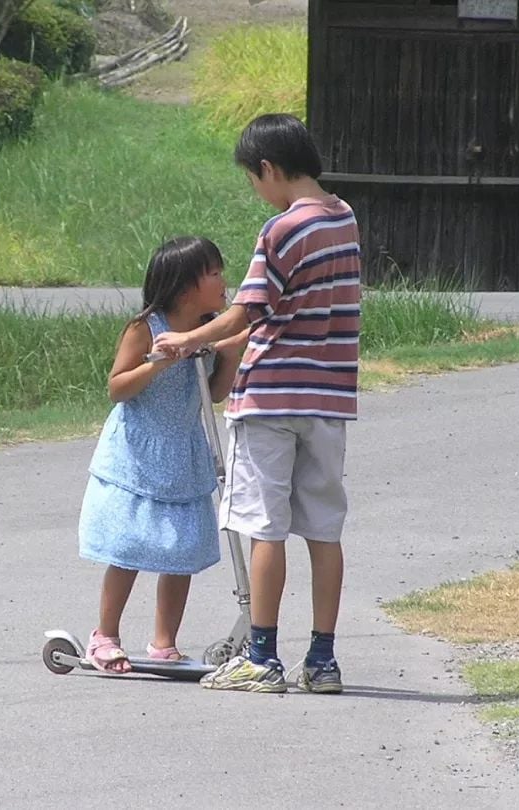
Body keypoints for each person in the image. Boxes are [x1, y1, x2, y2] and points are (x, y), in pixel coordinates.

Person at [153, 114, 361, 694]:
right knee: (323, 528)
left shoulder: (280, 230)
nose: (256, 189)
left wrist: (189, 340)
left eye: (253, 178)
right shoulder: (345, 219)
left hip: (270, 396)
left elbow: (248, 311)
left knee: (263, 527)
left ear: (268, 169)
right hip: (328, 398)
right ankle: (322, 661)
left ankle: (262, 657)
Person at [78, 236, 243, 673]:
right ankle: (105, 635)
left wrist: (228, 356)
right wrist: (159, 361)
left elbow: (214, 394)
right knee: (128, 543)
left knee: (181, 548)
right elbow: (117, 387)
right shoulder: (145, 328)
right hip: (139, 452)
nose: (223, 280)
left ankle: (164, 642)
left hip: (185, 452)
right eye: (213, 273)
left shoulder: (209, 328)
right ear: (185, 288)